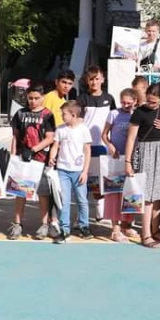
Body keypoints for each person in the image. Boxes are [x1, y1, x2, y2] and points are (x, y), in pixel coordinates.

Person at [125, 84, 160, 248]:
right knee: (147, 195)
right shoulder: (139, 112)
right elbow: (131, 138)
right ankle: (146, 234)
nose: (151, 104)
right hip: (145, 152)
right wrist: (128, 162)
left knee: (159, 195)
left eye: (154, 102)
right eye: (149, 100)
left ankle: (155, 230)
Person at [7, 83, 56, 240]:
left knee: (43, 193)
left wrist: (34, 149)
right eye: (30, 98)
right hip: (22, 159)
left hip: (40, 160)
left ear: (42, 97)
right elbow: (15, 136)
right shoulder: (20, 113)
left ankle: (44, 224)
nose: (33, 101)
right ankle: (17, 224)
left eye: (36, 98)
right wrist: (13, 156)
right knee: (20, 191)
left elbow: (50, 138)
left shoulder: (48, 115)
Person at [48, 101, 92, 243]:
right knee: (64, 200)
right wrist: (52, 158)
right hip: (63, 170)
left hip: (78, 171)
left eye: (64, 114)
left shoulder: (83, 130)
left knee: (82, 199)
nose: (62, 116)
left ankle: (84, 226)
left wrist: (85, 171)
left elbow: (87, 151)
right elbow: (55, 146)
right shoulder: (60, 129)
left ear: (73, 115)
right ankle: (64, 229)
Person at [77, 65, 115, 222]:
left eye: (97, 79)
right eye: (91, 79)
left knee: (101, 181)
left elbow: (113, 120)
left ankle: (101, 214)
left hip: (103, 145)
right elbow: (78, 122)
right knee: (83, 182)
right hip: (85, 146)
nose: (94, 82)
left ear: (103, 80)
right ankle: (81, 217)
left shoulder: (109, 98)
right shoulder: (82, 99)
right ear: (87, 81)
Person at [102, 88, 139, 242]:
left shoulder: (137, 114)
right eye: (123, 102)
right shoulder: (113, 114)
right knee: (114, 193)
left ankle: (126, 225)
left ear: (135, 101)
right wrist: (110, 145)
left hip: (132, 159)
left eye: (129, 103)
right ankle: (115, 229)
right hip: (115, 159)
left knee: (130, 192)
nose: (125, 105)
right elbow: (104, 135)